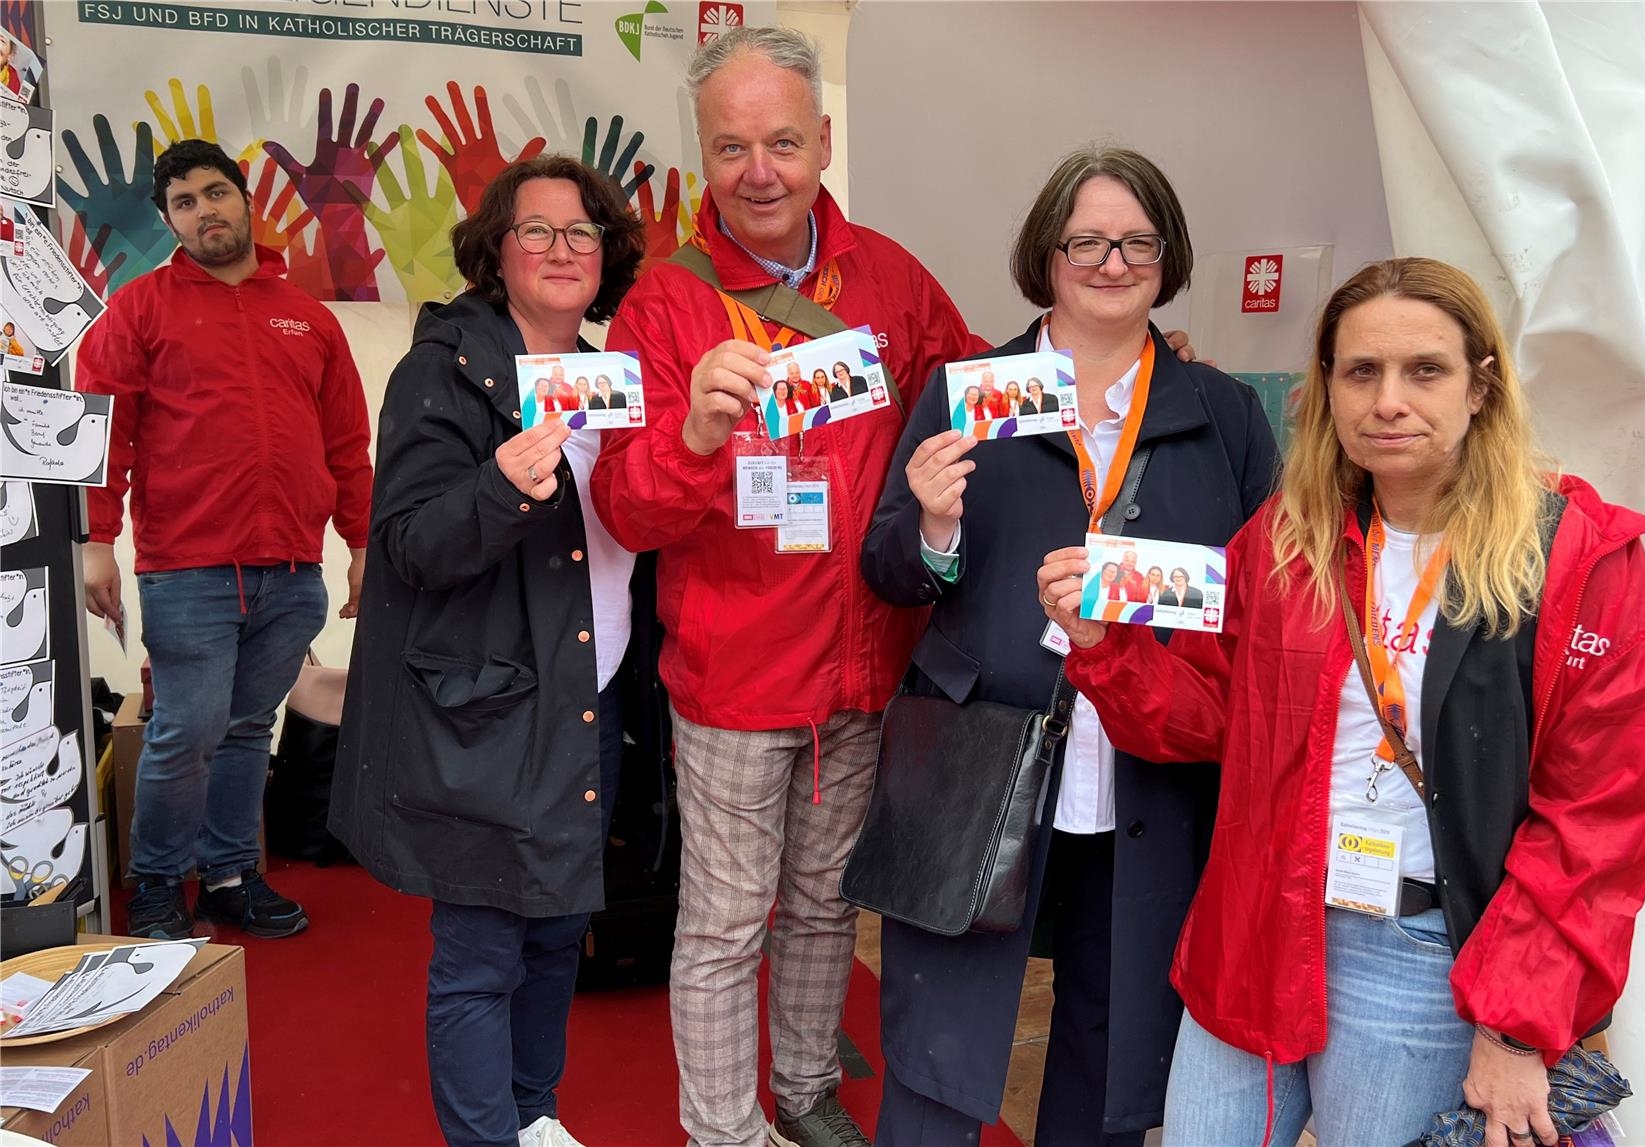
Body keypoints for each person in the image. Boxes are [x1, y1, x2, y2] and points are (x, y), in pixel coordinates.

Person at [1036, 257, 1645, 1147]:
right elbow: (1210, 716)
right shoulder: (1287, 537)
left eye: (1425, 370)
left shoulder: (1574, 562)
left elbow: (1596, 827)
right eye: (1360, 371)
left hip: (1416, 957)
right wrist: (1106, 651)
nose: (1389, 400)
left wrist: (1517, 1025)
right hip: (1255, 927)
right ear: (1326, 387)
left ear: (1481, 385)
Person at [587, 25, 987, 1147]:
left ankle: (806, 1091)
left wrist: (1098, 371)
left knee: (821, 909)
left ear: (822, 140)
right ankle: (723, 1129)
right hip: (732, 674)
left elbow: (969, 400)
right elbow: (625, 506)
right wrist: (700, 433)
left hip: (865, 666)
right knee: (721, 924)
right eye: (729, 148)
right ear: (700, 156)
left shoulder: (892, 280)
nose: (757, 172)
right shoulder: (664, 305)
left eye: (780, 142)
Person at [863, 145, 1277, 1145]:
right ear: (1045, 253)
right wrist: (934, 526)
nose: (1110, 261)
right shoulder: (973, 390)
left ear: (1167, 256)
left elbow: (1266, 591)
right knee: (942, 1028)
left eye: (1136, 241)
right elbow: (889, 572)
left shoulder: (1217, 412)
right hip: (981, 750)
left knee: (1117, 1018)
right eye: (1085, 240)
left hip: (1150, 760)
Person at [329, 155, 647, 1147]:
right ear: (496, 253)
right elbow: (411, 545)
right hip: (488, 708)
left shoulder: (615, 378)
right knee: (480, 954)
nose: (561, 249)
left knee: (557, 933)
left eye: (582, 232)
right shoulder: (447, 367)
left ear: (608, 255)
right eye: (536, 230)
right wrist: (503, 485)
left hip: (588, 698)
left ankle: (532, 1114)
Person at [75, 139, 372, 941]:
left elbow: (347, 443)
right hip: (189, 570)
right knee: (187, 729)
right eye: (184, 203)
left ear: (245, 200)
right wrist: (97, 541)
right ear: (169, 219)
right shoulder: (140, 308)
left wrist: (363, 547)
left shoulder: (308, 317)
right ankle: (160, 884)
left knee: (248, 728)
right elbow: (104, 432)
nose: (204, 211)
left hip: (291, 569)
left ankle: (233, 874)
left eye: (216, 193)